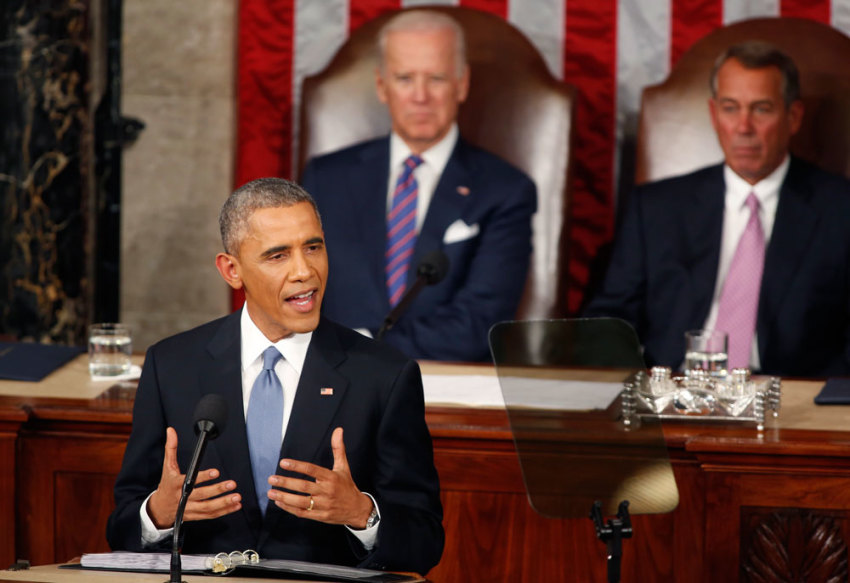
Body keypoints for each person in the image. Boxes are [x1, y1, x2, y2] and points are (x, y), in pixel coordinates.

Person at [106, 178, 444, 574]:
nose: (305, 271)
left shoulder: (384, 376)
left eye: (313, 247)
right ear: (232, 270)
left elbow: (425, 542)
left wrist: (362, 514)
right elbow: (122, 528)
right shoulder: (172, 365)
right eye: (277, 255)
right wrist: (158, 514)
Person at [585, 41, 850, 377]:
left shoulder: (840, 210)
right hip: (673, 395)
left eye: (761, 109)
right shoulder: (656, 208)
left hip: (789, 401)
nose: (743, 127)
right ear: (713, 114)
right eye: (730, 108)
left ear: (793, 116)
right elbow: (609, 322)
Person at [300, 9, 537, 362]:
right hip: (331, 385)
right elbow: (292, 292)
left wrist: (362, 346)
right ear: (382, 86)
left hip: (445, 390)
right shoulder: (326, 177)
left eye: (437, 78)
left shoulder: (505, 190)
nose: (420, 96)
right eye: (405, 78)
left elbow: (480, 324)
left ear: (462, 83)